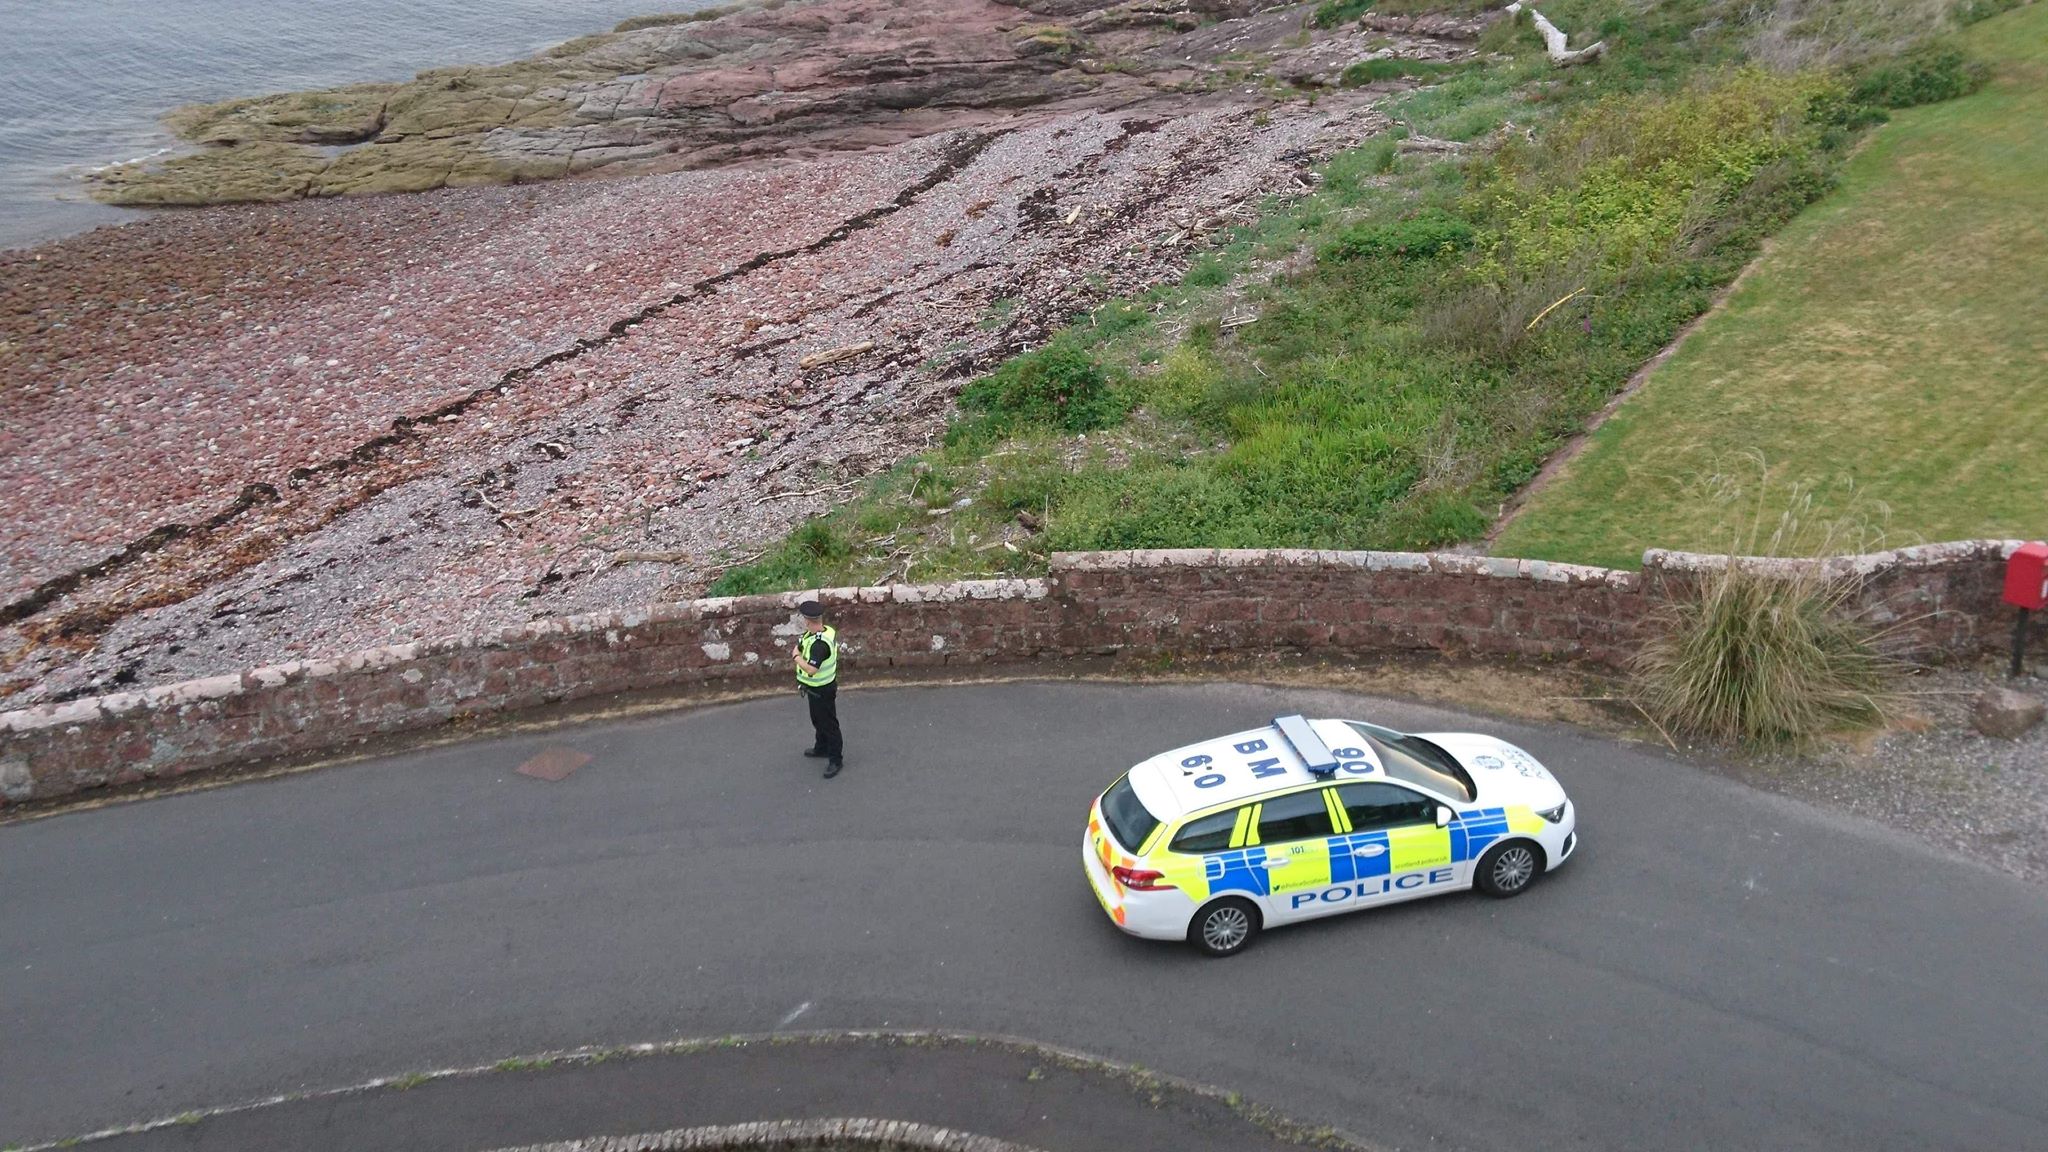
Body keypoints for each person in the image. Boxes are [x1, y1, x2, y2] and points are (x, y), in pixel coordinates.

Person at [793, 599, 843, 778]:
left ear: (807, 621)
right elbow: (802, 645)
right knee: (817, 720)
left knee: (829, 724)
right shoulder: (822, 632)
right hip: (814, 689)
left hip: (823, 689)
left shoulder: (819, 645)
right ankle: (821, 747)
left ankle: (835, 759)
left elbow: (812, 669)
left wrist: (796, 658)